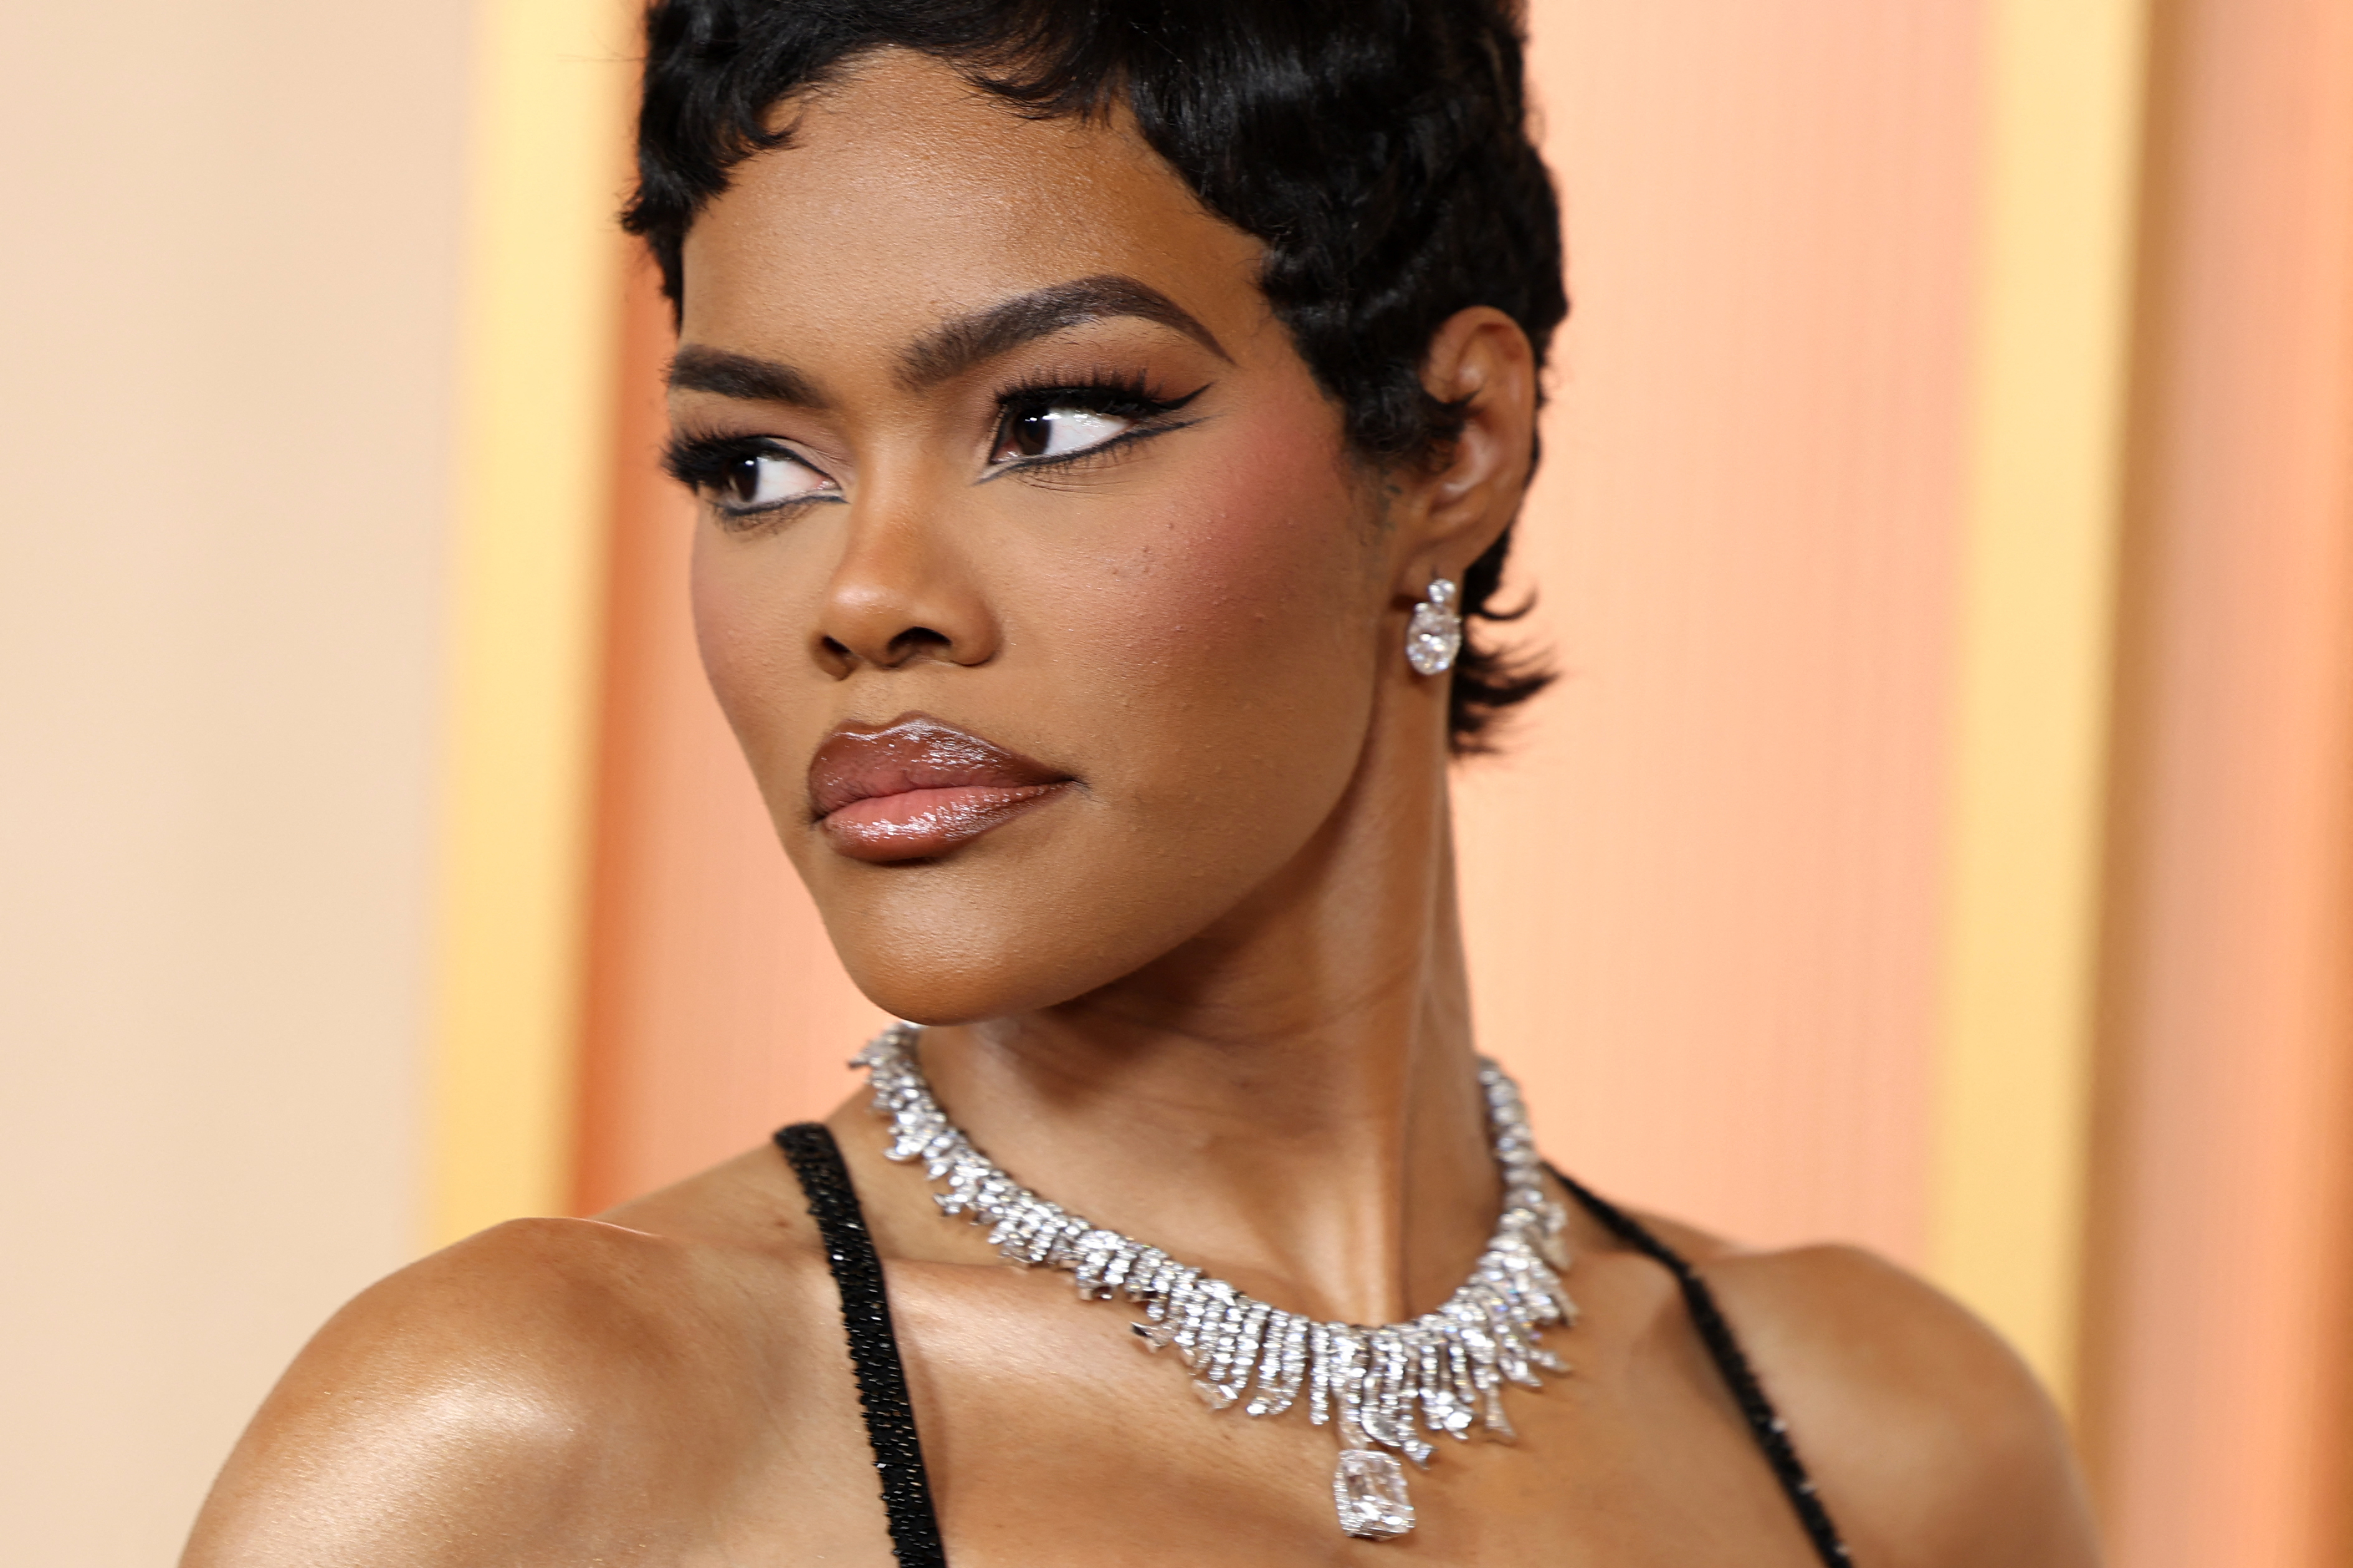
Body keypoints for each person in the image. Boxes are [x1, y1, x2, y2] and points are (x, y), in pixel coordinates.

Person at [184, 2, 2102, 1562]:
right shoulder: (529, 1449)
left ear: (1452, 441)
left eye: (1056, 417)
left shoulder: (1893, 1456)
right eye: (755, 465)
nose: (866, 598)